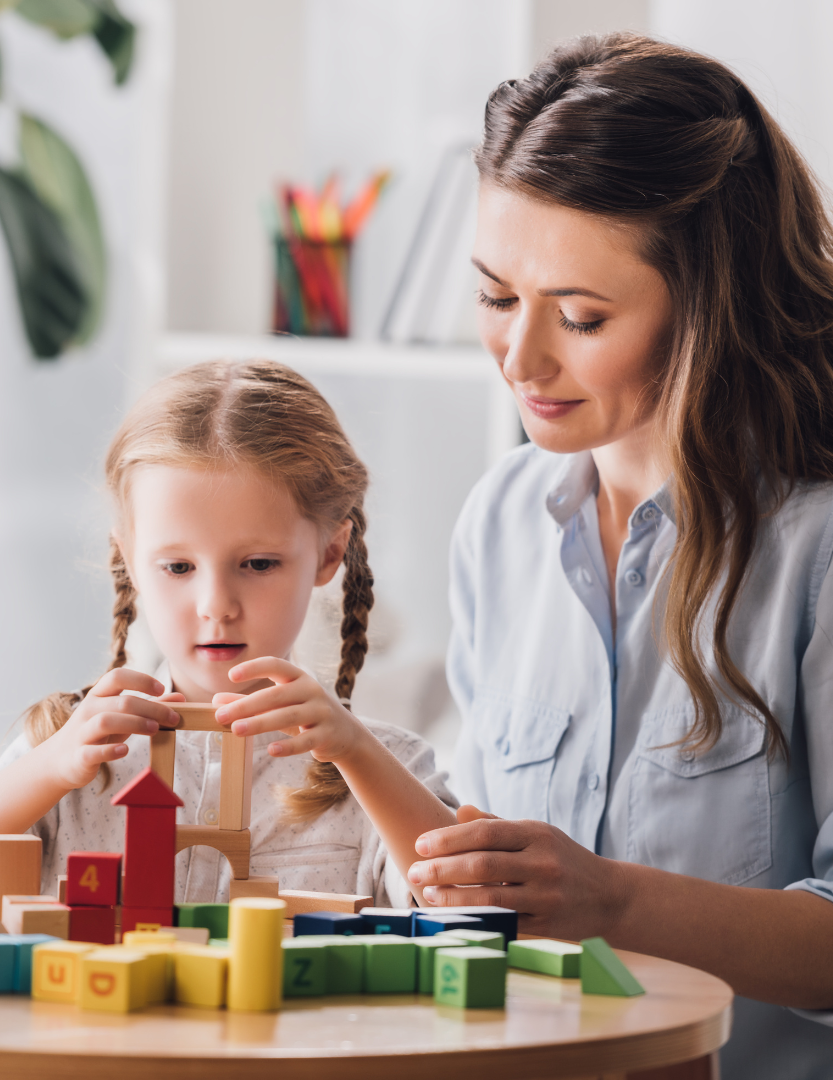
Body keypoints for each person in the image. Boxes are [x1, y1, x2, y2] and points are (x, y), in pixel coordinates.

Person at [221, 31, 833, 1080]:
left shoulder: (812, 545)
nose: (520, 356)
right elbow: (482, 864)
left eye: (582, 317)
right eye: (498, 298)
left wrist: (614, 900)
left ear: (708, 309)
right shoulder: (504, 519)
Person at [0, 359, 455, 906]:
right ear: (129, 559)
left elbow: (465, 904)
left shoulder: (383, 766)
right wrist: (52, 767)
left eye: (258, 564)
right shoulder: (70, 749)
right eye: (178, 568)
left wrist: (355, 751)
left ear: (330, 552)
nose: (216, 606)